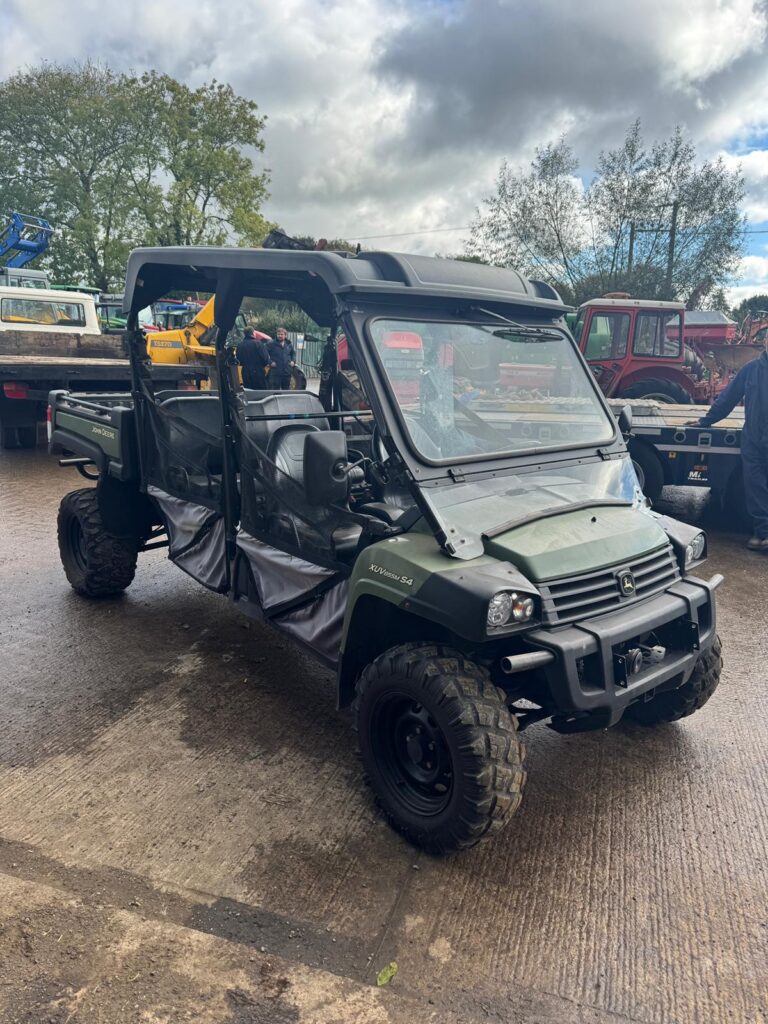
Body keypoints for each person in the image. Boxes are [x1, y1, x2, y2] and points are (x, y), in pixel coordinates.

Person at [692, 337, 768, 550]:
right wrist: (706, 420)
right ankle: (763, 533)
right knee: (755, 487)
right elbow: (729, 396)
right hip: (754, 440)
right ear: (765, 342)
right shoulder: (751, 370)